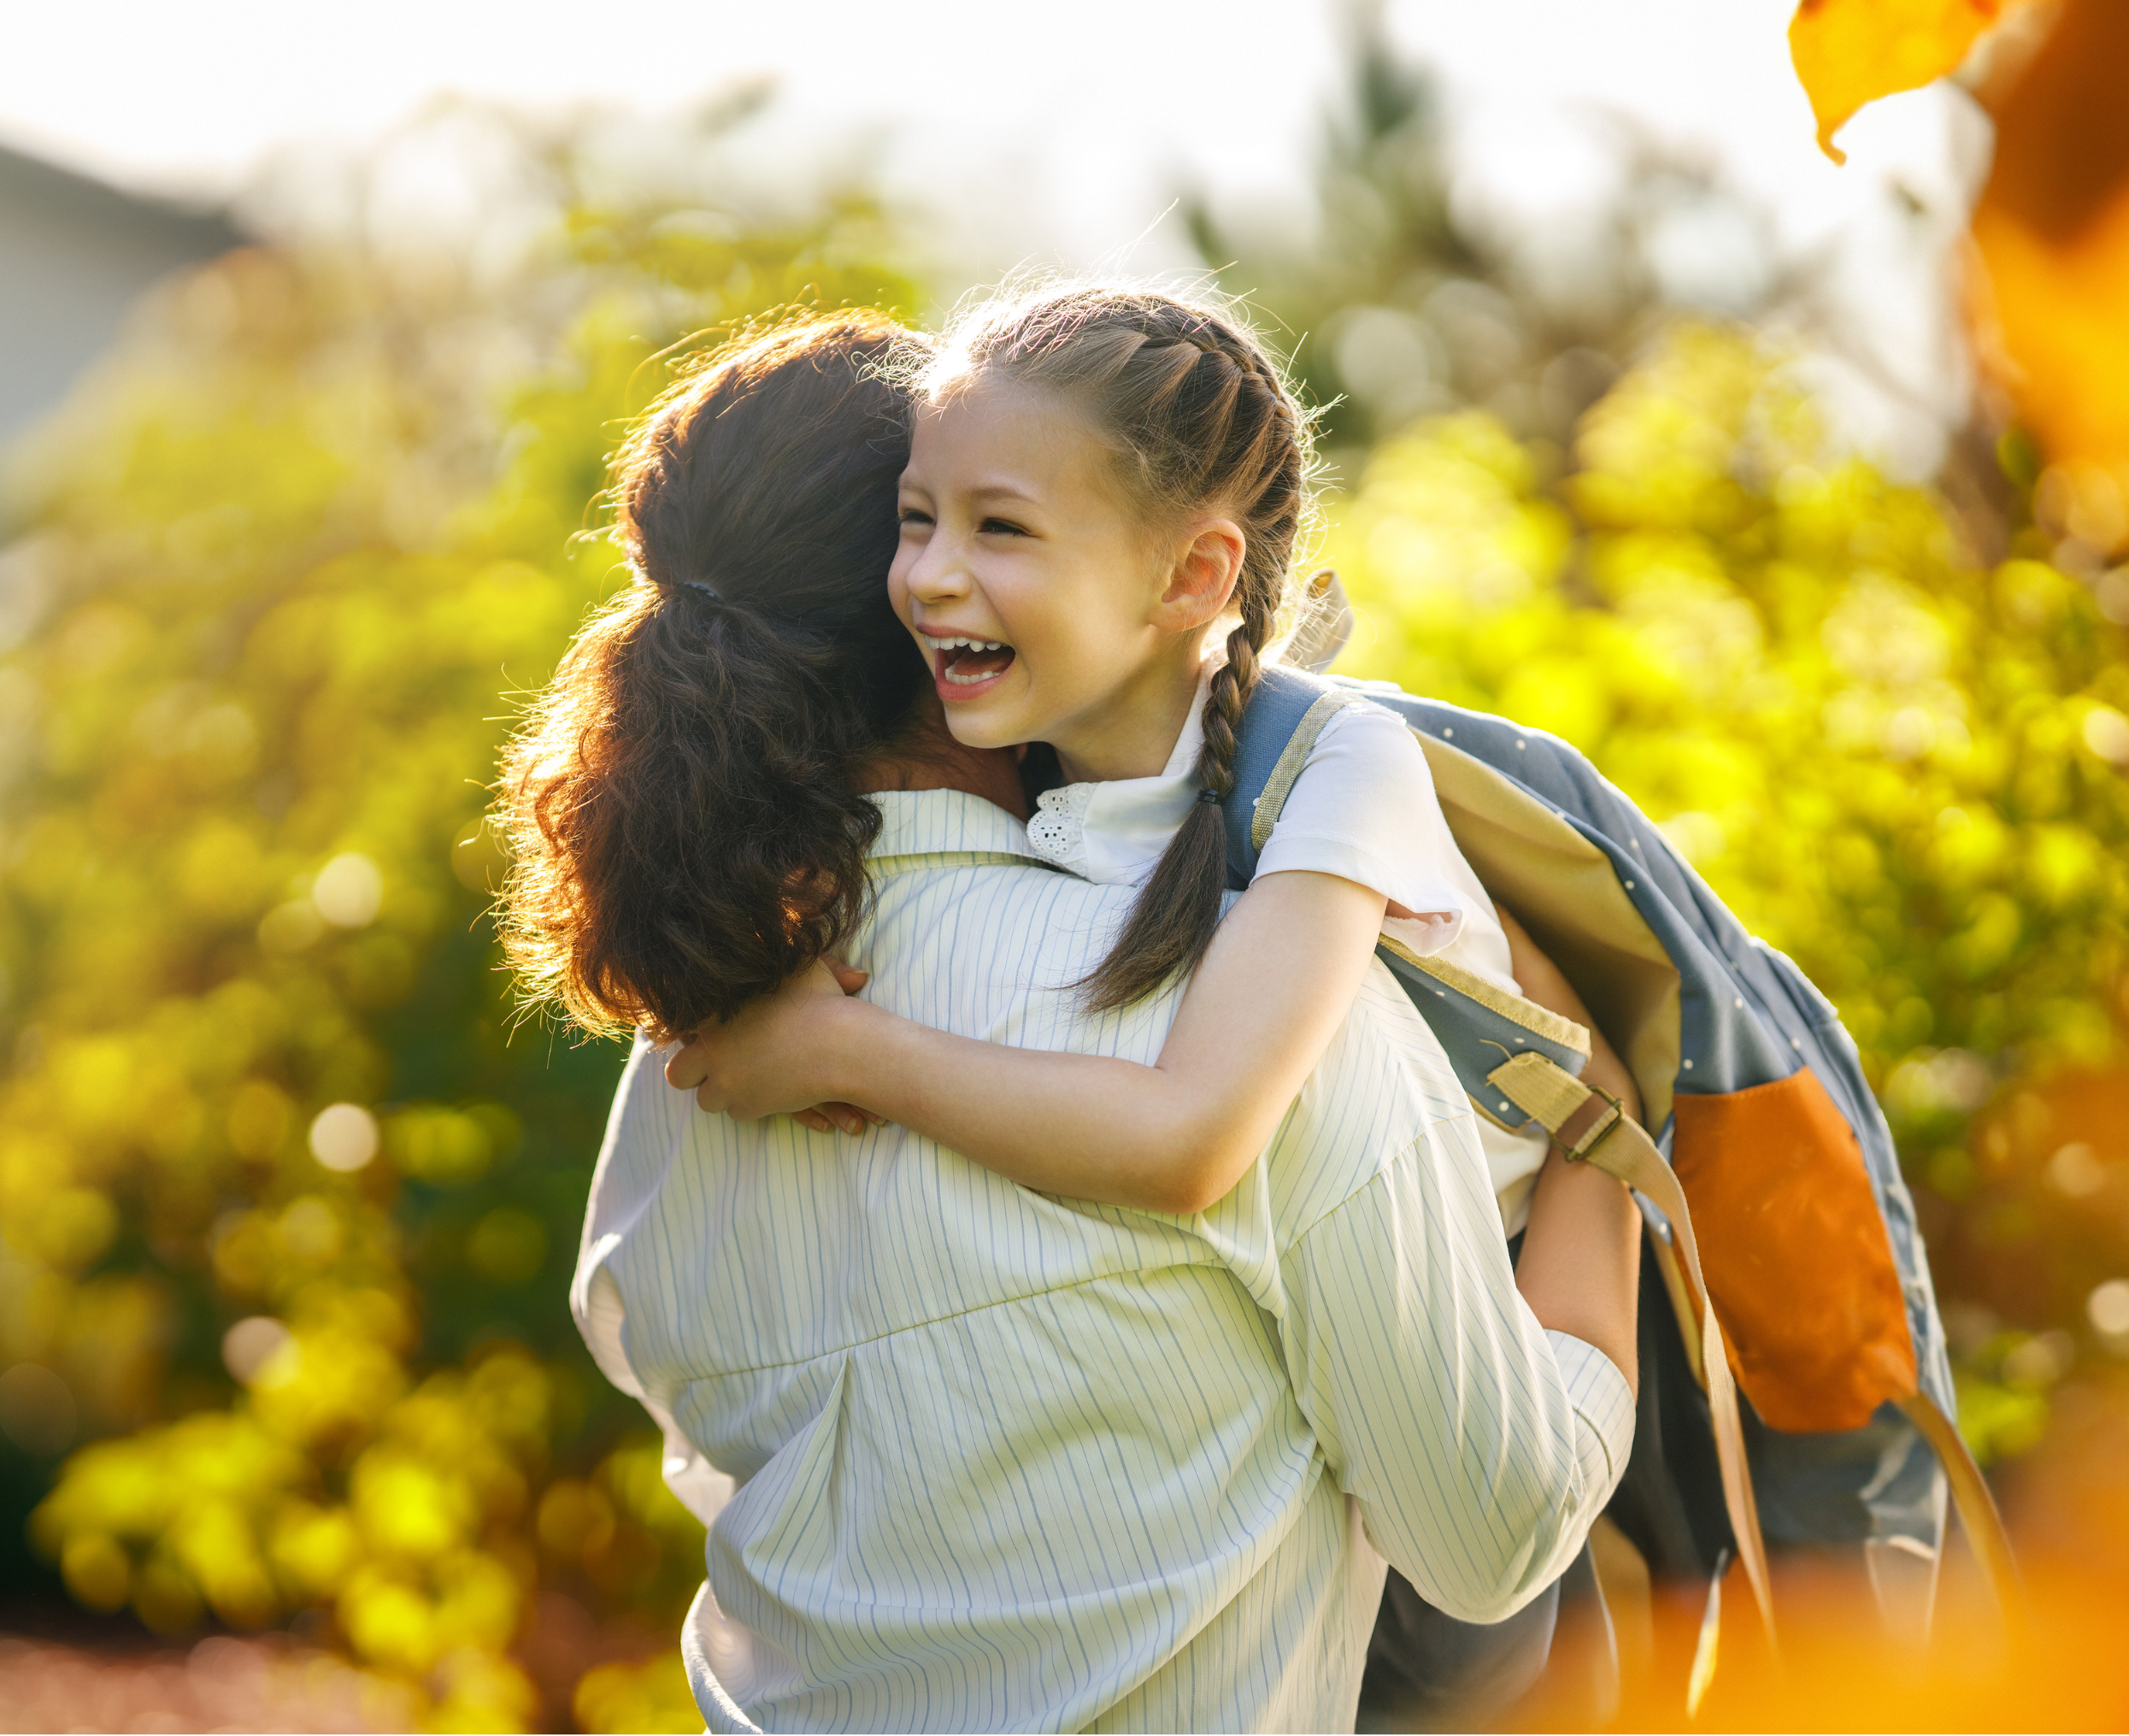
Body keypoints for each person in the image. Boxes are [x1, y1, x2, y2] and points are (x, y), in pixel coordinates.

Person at [497, 310, 1641, 1730]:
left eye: (1000, 522)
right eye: (926, 519)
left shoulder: (697, 1066)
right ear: (909, 601)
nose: (948, 566)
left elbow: (710, 1440)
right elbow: (1497, 1534)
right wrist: (1607, 1138)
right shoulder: (1254, 1012)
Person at [667, 283, 1640, 1244]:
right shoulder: (1023, 761)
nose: (926, 575)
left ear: (1189, 576)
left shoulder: (1339, 766)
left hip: (1527, 1273)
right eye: (915, 518)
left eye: (998, 526)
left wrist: (845, 1051)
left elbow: (1189, 1143)